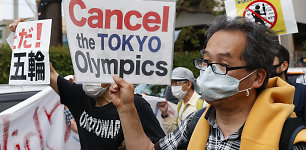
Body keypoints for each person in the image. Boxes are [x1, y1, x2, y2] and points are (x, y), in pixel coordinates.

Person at [109, 16, 306, 150]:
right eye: (206, 61)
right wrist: (126, 108)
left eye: (222, 63)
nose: (208, 71)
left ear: (257, 78)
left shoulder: (288, 136)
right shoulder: (196, 122)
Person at [9, 19, 165, 150]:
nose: (89, 76)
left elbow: (158, 145)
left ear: (114, 72)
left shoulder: (134, 104)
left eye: (96, 69)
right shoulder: (79, 97)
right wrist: (28, 36)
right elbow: (48, 73)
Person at [158, 67, 207, 134]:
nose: (173, 86)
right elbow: (175, 133)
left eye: (177, 82)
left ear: (189, 84)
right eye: (172, 83)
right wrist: (165, 114)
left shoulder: (203, 104)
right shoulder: (180, 104)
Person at [270, 44, 306, 123]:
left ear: (284, 65)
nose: (265, 65)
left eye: (270, 60)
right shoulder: (255, 92)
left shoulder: (301, 92)